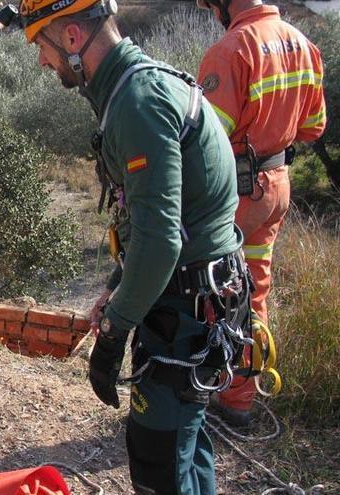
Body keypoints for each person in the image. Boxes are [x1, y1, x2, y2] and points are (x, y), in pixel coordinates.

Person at [0, 0, 250, 492]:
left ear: (71, 39)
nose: (41, 62)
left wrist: (112, 335)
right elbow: (154, 221)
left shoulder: (138, 101)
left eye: (39, 46)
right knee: (184, 443)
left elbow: (159, 243)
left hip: (187, 309)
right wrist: (118, 286)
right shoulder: (135, 86)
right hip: (199, 298)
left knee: (160, 456)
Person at [196, 0, 326, 427]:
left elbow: (203, 140)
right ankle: (239, 399)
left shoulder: (231, 51)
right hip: (276, 184)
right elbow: (313, 126)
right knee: (253, 290)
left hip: (237, 192)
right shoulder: (303, 44)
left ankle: (207, 389)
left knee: (216, 290)